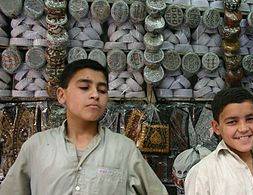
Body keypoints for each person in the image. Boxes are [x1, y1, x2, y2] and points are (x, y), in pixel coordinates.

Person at [0, 59, 168, 195]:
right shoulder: (36, 147)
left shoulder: (124, 150)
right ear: (61, 95)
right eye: (84, 87)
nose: (95, 95)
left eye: (102, 90)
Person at [184, 87, 253, 195]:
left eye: (250, 119)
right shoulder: (203, 173)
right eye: (232, 122)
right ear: (217, 127)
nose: (244, 129)